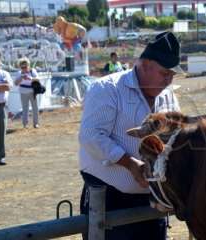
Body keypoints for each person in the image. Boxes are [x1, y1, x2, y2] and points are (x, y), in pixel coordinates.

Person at [79, 31, 182, 240]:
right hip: (109, 200)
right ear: (144, 65)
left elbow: (175, 137)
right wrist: (130, 163)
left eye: (172, 75)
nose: (168, 81)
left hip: (152, 200)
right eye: (164, 74)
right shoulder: (107, 89)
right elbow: (91, 136)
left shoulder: (168, 97)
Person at [14, 58, 40, 128]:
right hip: (23, 92)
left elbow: (37, 79)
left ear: (28, 65)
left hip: (32, 92)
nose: (24, 69)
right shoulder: (19, 73)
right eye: (22, 67)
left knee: (35, 108)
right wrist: (21, 78)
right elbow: (16, 83)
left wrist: (30, 78)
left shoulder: (32, 71)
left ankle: (36, 123)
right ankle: (25, 124)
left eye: (25, 67)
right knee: (25, 108)